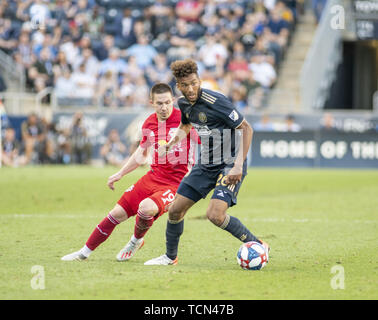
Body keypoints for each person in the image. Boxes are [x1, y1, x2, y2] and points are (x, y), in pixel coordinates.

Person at [144, 59, 269, 266]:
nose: (191, 88)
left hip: (229, 164)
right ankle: (169, 257)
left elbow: (247, 128)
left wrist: (238, 166)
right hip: (206, 165)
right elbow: (185, 126)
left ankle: (258, 245)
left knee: (215, 215)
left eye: (194, 82)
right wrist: (171, 144)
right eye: (185, 85)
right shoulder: (183, 103)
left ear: (199, 80)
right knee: (175, 210)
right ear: (178, 86)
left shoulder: (216, 101)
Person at [61, 83, 199, 261]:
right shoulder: (149, 123)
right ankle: (84, 252)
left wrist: (197, 171)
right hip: (153, 177)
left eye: (167, 102)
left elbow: (206, 146)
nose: (164, 107)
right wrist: (120, 173)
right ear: (152, 103)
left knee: (146, 208)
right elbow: (141, 154)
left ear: (173, 100)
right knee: (116, 213)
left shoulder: (185, 120)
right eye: (159, 103)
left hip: (175, 184)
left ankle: (135, 241)